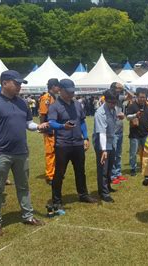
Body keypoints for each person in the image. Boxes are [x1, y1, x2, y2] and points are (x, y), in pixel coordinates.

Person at [0, 70, 47, 236]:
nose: (19, 87)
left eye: (20, 84)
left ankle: (28, 215)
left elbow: (28, 123)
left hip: (21, 152)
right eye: (16, 83)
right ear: (4, 83)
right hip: (0, 153)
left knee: (23, 186)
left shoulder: (23, 103)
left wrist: (38, 127)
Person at [47, 79, 96, 209]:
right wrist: (63, 126)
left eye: (73, 92)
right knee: (59, 173)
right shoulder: (54, 106)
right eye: (68, 92)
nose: (71, 94)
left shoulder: (77, 104)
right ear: (60, 90)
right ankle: (56, 200)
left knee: (80, 170)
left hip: (78, 144)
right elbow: (51, 123)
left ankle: (83, 194)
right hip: (63, 144)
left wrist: (85, 138)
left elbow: (82, 121)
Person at [93, 89, 118, 203]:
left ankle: (107, 186)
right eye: (111, 102)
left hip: (111, 142)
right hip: (102, 143)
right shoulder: (100, 113)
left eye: (114, 102)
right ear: (105, 100)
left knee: (109, 167)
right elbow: (102, 133)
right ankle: (103, 193)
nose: (113, 105)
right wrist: (103, 150)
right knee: (103, 169)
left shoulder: (113, 109)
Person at [126, 88, 148, 176]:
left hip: (145, 134)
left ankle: (145, 167)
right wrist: (135, 115)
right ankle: (133, 168)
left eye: (144, 97)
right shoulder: (132, 106)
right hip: (134, 134)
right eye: (140, 97)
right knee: (133, 153)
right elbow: (127, 117)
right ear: (137, 97)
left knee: (146, 152)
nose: (142, 99)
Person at [38, 78, 60, 185]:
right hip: (49, 128)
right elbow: (43, 114)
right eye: (57, 86)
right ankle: (50, 175)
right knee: (50, 152)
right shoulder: (46, 98)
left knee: (56, 151)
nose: (59, 88)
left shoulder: (54, 97)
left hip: (55, 127)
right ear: (53, 86)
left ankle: (55, 172)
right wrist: (43, 128)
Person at [109, 82, 128, 185]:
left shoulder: (120, 98)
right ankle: (112, 175)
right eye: (118, 88)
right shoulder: (110, 98)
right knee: (113, 154)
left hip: (120, 130)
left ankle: (118, 173)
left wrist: (124, 87)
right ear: (113, 89)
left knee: (118, 154)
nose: (120, 90)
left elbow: (131, 96)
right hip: (113, 131)